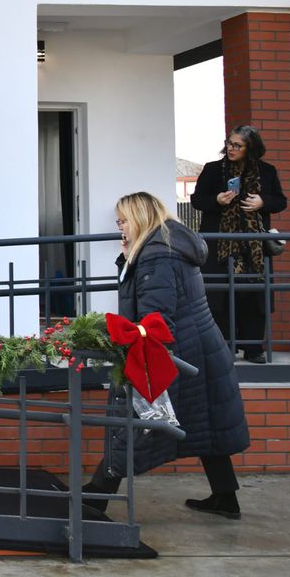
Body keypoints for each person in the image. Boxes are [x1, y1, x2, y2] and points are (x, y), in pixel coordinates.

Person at [85, 192, 250, 519]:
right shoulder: (167, 246)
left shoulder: (156, 257)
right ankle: (225, 498)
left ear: (140, 218)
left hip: (184, 350)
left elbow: (155, 316)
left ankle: (97, 494)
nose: (120, 227)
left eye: (123, 221)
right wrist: (127, 258)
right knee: (206, 422)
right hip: (200, 347)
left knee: (136, 419)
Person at [190, 125, 288, 363]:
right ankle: (224, 346)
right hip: (220, 247)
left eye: (237, 145)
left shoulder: (266, 171)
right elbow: (197, 200)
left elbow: (280, 201)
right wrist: (216, 199)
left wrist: (262, 202)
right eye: (229, 143)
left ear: (250, 148)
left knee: (254, 295)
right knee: (219, 294)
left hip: (254, 247)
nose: (231, 149)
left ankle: (253, 348)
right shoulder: (214, 170)